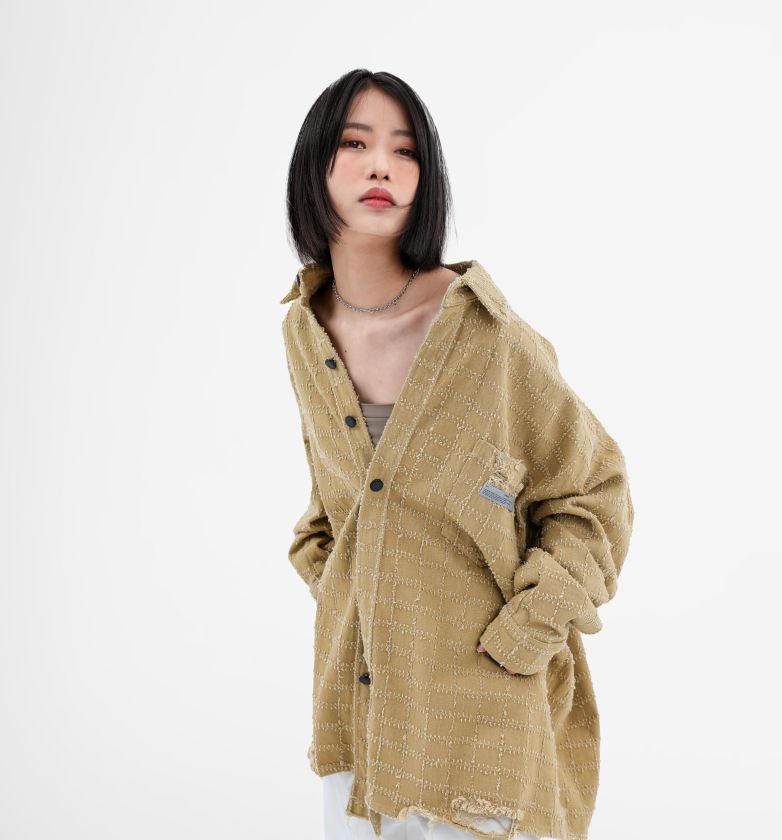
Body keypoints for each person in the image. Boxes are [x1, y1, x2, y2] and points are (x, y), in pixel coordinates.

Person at [280, 69, 635, 840]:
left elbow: (593, 490)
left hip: (482, 716)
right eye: (355, 143)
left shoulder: (481, 331)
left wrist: (528, 628)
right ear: (315, 165)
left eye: (404, 150)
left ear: (425, 177)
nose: (381, 165)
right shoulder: (304, 329)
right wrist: (343, 588)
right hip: (358, 714)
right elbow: (335, 504)